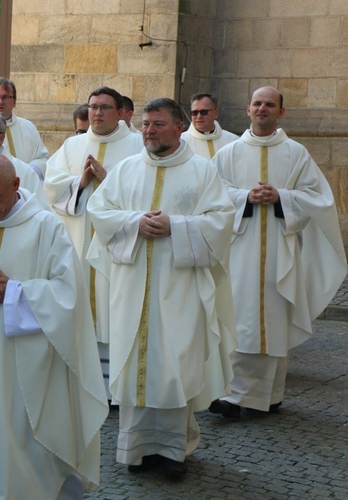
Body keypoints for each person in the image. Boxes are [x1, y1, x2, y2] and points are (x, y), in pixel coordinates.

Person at [0, 152, 108, 498]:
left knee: (21, 439)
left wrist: (14, 292)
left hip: (26, 364)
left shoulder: (46, 227)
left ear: (16, 184)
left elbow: (68, 295)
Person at [87, 97, 236, 481]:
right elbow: (100, 212)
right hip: (132, 286)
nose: (149, 131)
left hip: (180, 287)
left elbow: (222, 221)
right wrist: (136, 222)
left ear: (180, 126)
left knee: (174, 364)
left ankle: (173, 451)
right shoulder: (124, 171)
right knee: (135, 359)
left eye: (158, 124)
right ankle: (136, 449)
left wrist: (178, 226)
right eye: (146, 125)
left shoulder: (202, 172)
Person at [211, 86, 347, 417]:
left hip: (278, 250)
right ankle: (242, 394)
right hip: (238, 249)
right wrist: (244, 197)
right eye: (257, 103)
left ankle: (264, 396)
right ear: (248, 110)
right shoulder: (228, 153)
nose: (262, 109)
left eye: (270, 104)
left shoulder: (296, 153)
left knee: (271, 318)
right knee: (240, 318)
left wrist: (282, 198)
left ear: (281, 113)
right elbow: (211, 194)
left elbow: (319, 199)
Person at [44, 86, 143, 398]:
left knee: (114, 307)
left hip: (116, 247)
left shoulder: (137, 146)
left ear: (120, 112)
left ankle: (114, 388)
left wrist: (107, 177)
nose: (97, 113)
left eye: (104, 107)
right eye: (92, 107)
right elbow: (51, 188)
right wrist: (81, 182)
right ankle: (82, 386)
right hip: (76, 242)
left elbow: (144, 190)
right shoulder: (72, 145)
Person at [181, 93, 238, 159]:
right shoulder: (181, 143)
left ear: (216, 113)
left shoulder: (233, 141)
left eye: (204, 112)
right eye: (195, 113)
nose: (199, 116)